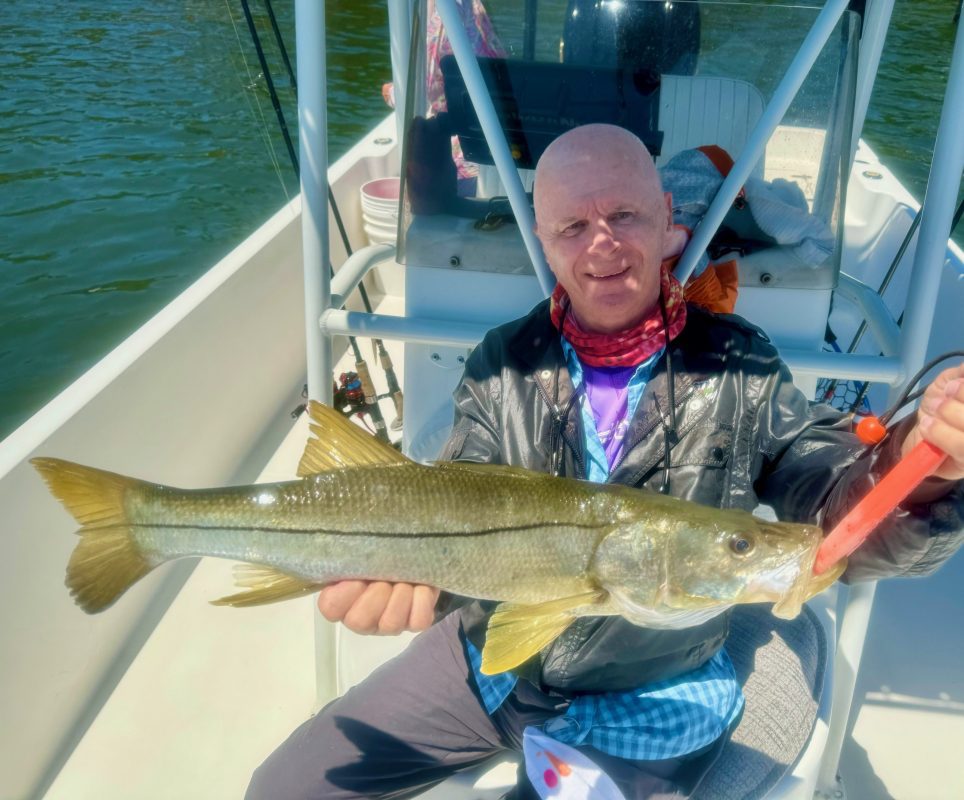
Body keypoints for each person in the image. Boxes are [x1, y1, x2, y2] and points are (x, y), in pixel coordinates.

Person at [247, 124, 964, 799]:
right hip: (495, 663)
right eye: (573, 227)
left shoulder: (739, 363)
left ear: (666, 222)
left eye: (624, 216)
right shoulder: (503, 361)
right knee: (282, 788)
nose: (602, 245)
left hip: (654, 685)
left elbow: (826, 486)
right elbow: (456, 512)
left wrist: (919, 464)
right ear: (546, 243)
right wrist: (417, 587)